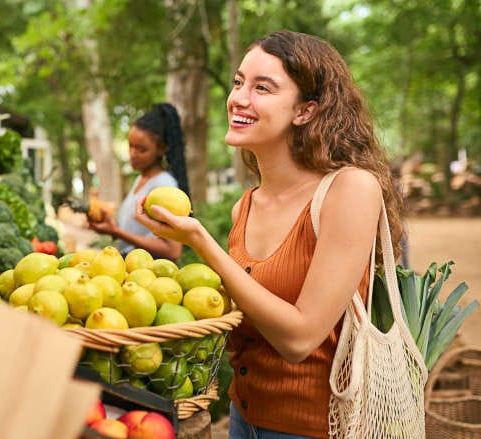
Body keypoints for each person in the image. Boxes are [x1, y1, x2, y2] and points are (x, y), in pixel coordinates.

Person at [135, 30, 403, 439]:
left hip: (316, 427)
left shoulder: (350, 189)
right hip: (243, 418)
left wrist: (200, 242)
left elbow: (299, 339)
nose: (240, 98)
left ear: (305, 111)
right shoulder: (246, 204)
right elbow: (245, 316)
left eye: (263, 88)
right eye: (239, 82)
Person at [87, 102, 190, 260]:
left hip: (150, 274)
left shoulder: (163, 185)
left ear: (161, 149)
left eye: (141, 149)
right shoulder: (141, 178)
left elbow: (172, 250)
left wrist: (116, 231)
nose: (133, 154)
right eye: (130, 146)